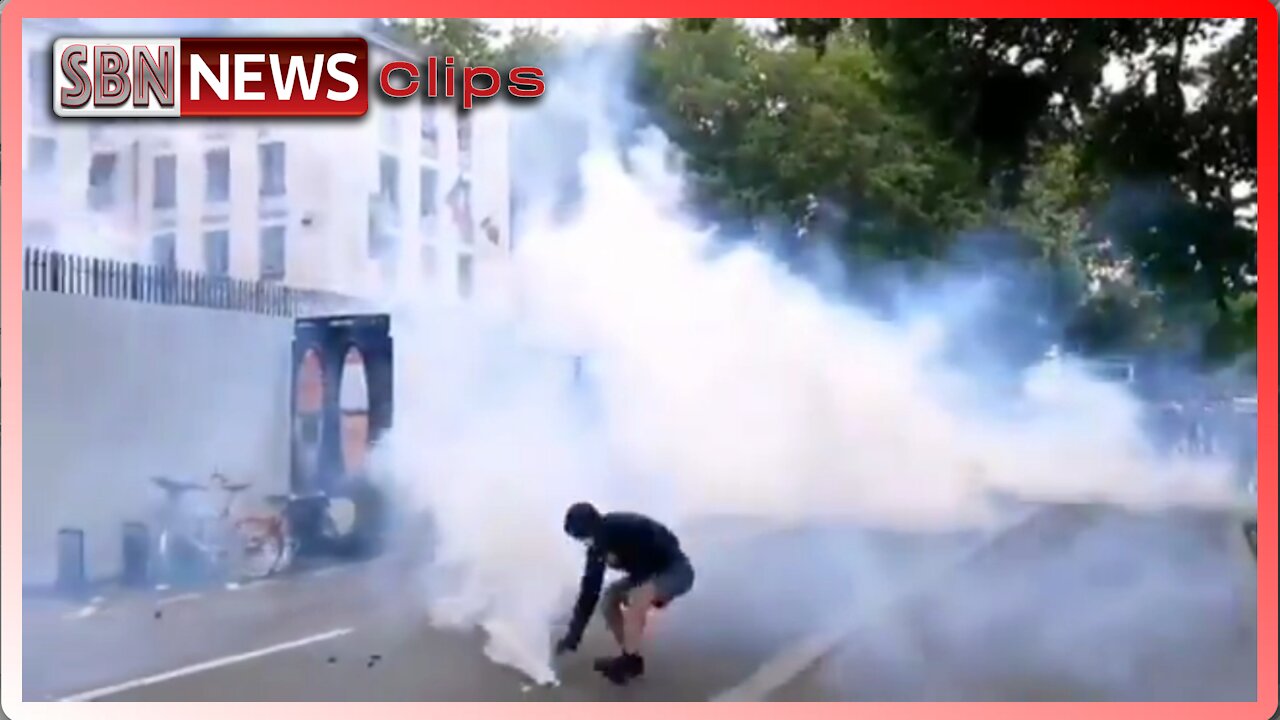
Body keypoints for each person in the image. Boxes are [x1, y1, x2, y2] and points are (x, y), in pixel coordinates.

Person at [554, 502, 695, 685]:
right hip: (645, 577)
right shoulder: (597, 548)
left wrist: (654, 593)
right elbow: (589, 592)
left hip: (676, 571)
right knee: (608, 600)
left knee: (637, 597)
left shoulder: (626, 526)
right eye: (580, 540)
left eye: (584, 537)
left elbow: (668, 541)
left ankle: (627, 663)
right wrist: (573, 637)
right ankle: (631, 658)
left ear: (593, 526)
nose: (585, 542)